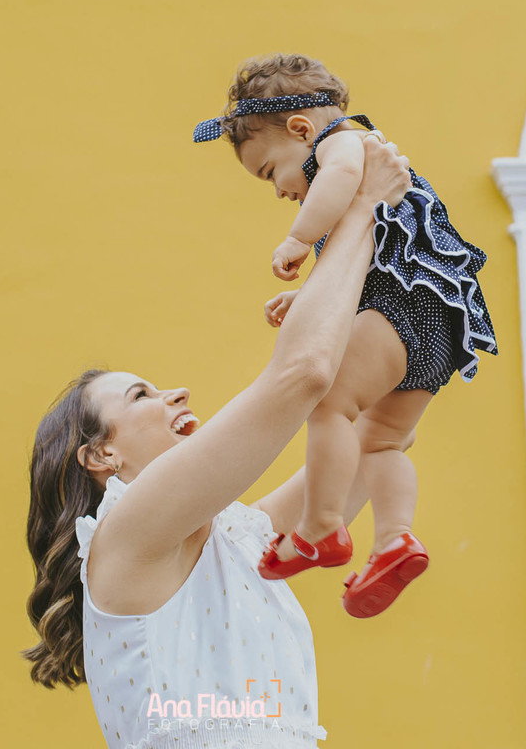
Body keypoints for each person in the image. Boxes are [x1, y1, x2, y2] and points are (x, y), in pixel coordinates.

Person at [23, 135, 411, 749]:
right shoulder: (127, 534)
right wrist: (361, 207)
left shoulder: (237, 540)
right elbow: (302, 377)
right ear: (102, 457)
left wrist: (412, 309)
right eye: (141, 396)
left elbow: (373, 441)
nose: (174, 393)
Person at [192, 54, 498, 618]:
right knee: (380, 440)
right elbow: (365, 255)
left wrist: (299, 240)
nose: (280, 190)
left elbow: (334, 185)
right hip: (441, 328)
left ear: (301, 130)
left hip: (403, 308)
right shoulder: (364, 168)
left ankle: (322, 525)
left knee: (331, 402)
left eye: (270, 172)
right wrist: (308, 296)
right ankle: (395, 539)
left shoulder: (343, 142)